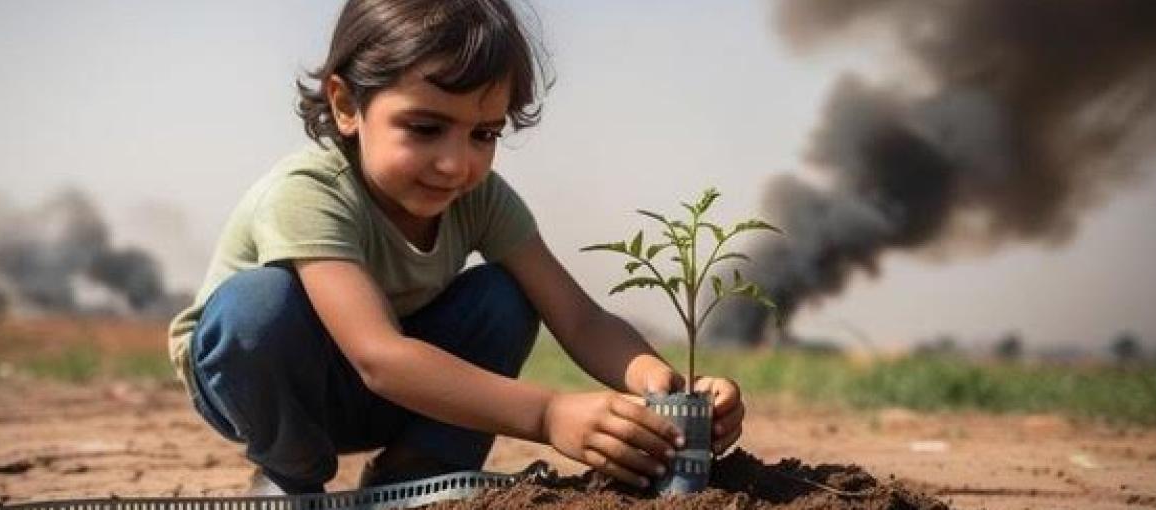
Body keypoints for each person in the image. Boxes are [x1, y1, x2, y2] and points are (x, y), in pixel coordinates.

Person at [167, 0, 745, 495]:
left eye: (484, 134)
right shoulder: (307, 194)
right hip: (276, 391)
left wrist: (666, 388)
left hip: (409, 391)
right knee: (257, 307)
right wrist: (548, 414)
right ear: (346, 105)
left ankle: (420, 469)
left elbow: (580, 317)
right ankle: (290, 475)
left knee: (507, 294)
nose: (456, 163)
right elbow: (378, 357)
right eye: (424, 128)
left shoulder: (482, 198)